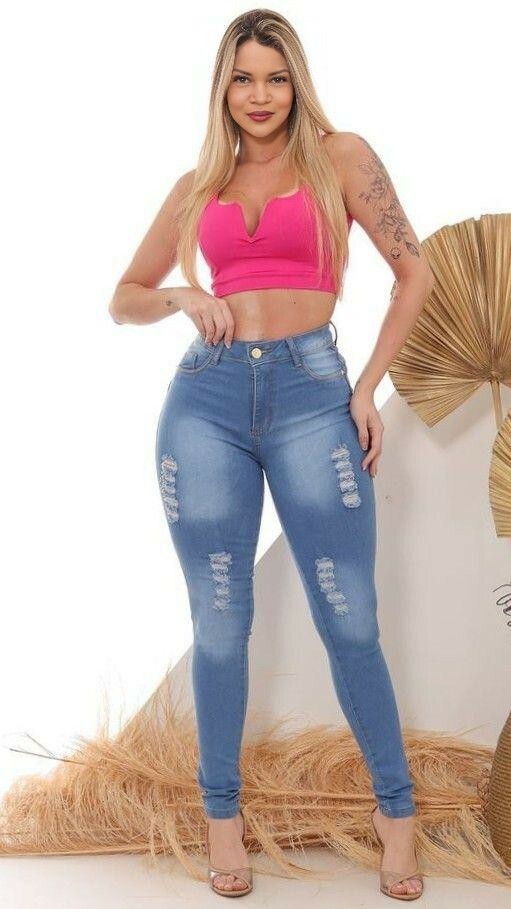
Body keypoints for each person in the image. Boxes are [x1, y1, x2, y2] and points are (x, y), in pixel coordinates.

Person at [108, 8, 434, 900]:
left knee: (350, 619)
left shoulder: (340, 157)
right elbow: (123, 297)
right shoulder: (198, 184)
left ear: (297, 82)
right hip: (204, 404)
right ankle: (222, 816)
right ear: (222, 88)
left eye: (275, 77)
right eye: (243, 79)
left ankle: (394, 813)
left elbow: (414, 273)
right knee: (219, 622)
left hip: (311, 396)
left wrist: (364, 390)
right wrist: (180, 296)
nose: (260, 96)